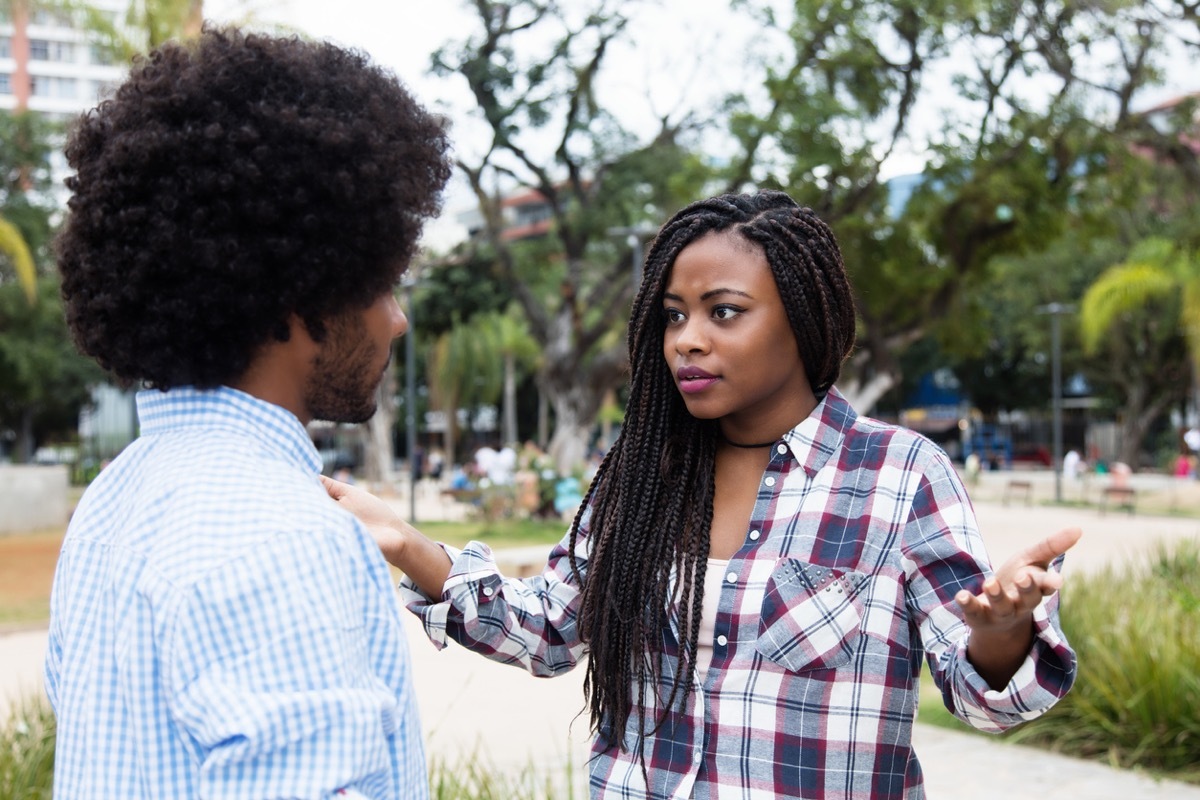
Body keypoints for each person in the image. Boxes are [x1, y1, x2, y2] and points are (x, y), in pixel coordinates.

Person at [325, 191, 1080, 799]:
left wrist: (1003, 630)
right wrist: (407, 544)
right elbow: (550, 629)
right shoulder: (643, 478)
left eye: (724, 312)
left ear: (802, 319)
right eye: (673, 316)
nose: (687, 339)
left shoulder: (898, 475)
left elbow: (984, 697)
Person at [46, 27, 450, 799]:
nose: (396, 320)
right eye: (383, 283)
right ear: (304, 296)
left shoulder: (112, 500)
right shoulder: (286, 534)